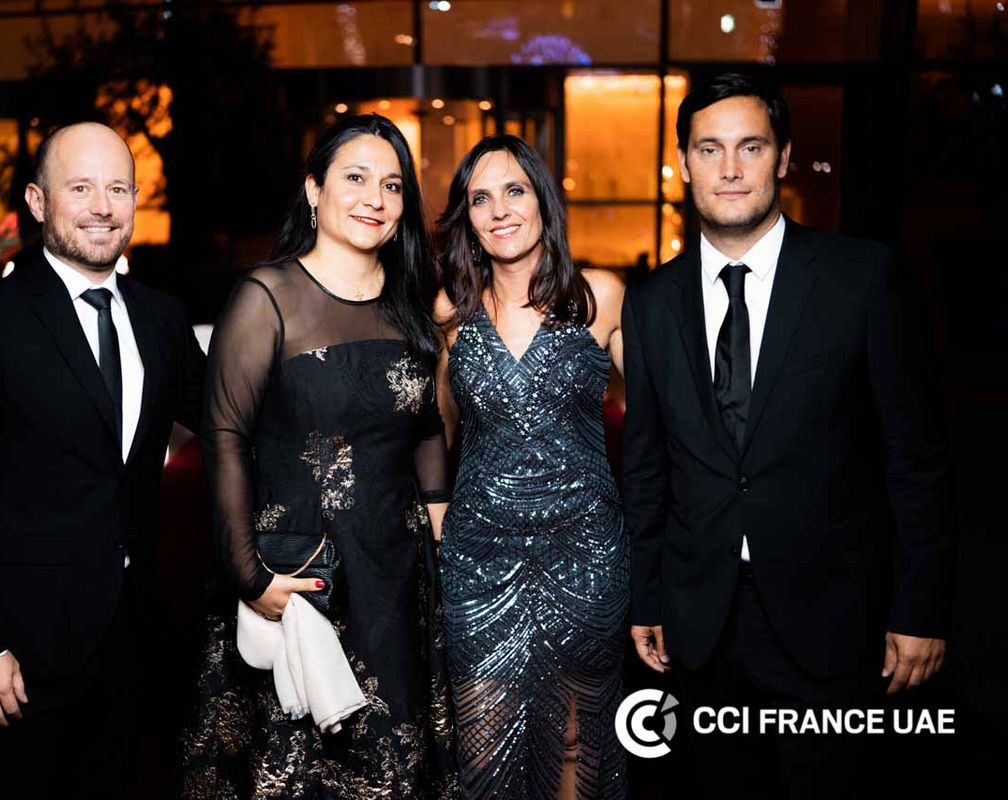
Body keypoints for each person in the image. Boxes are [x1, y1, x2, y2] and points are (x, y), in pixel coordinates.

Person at [622, 73, 954, 799]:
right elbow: (646, 466)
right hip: (700, 623)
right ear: (684, 163)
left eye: (750, 147)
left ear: (784, 156)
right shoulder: (651, 301)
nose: (730, 168)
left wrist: (920, 608)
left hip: (832, 618)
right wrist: (646, 597)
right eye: (709, 149)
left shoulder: (860, 277)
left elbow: (917, 461)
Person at [0, 122, 204, 799]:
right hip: (16, 655)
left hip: (130, 638)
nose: (102, 207)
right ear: (37, 202)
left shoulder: (161, 318)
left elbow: (228, 419)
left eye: (117, 189)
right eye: (80, 188)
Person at [179, 113, 457, 799]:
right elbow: (224, 436)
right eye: (355, 178)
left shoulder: (409, 304)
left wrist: (438, 528)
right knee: (295, 772)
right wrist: (250, 576)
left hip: (395, 580)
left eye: (392, 185)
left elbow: (425, 428)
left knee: (392, 767)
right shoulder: (267, 297)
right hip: (300, 576)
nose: (375, 199)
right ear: (313, 189)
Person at [434, 135, 629, 800]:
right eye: (480, 199)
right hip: (479, 562)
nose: (499, 210)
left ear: (543, 199)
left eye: (514, 190)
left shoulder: (601, 296)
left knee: (577, 740)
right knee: (482, 747)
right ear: (468, 220)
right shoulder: (451, 313)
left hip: (584, 556)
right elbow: (435, 434)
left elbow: (666, 428)